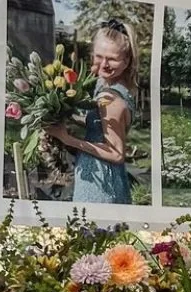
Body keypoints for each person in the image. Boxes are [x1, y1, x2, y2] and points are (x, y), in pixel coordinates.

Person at [47, 20, 137, 205]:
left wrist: (67, 139)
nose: (104, 64)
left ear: (126, 60)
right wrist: (65, 114)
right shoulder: (109, 85)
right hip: (98, 173)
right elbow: (101, 124)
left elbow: (116, 153)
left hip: (100, 182)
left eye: (112, 58)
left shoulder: (110, 98)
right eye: (99, 56)